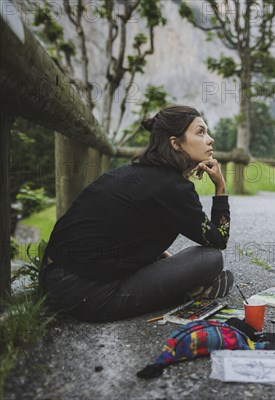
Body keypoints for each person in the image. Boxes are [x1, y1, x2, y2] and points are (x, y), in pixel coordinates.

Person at [41, 104, 233, 322]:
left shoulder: (138, 173)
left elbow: (122, 230)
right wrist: (220, 186)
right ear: (175, 143)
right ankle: (191, 290)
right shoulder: (172, 187)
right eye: (200, 132)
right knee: (211, 258)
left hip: (54, 278)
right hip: (87, 294)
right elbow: (218, 240)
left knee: (182, 260)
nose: (210, 139)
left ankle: (193, 288)